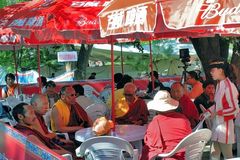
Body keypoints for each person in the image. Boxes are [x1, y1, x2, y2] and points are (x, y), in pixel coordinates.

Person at [202, 59, 239, 159]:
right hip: (217, 126)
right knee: (214, 155)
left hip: (226, 128)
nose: (210, 72)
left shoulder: (229, 87)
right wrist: (208, 111)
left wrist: (218, 113)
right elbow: (217, 104)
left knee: (228, 157)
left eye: (212, 70)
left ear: (221, 70)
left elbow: (235, 109)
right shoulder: (219, 84)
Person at [141, 90, 192, 160]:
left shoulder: (156, 121)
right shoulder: (184, 118)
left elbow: (149, 142)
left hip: (169, 156)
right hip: (187, 154)